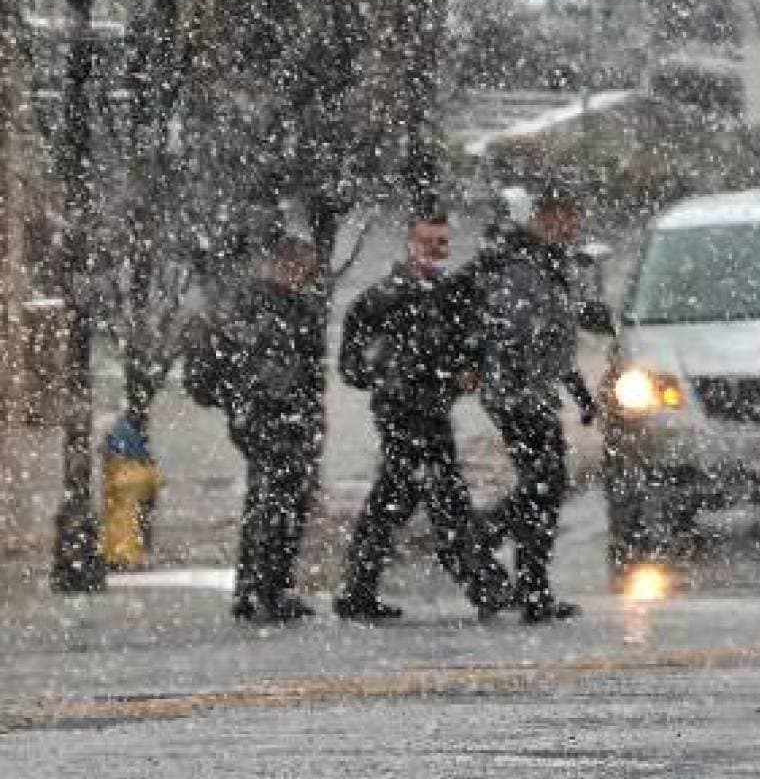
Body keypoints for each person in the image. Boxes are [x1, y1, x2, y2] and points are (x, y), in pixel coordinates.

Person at [334, 206, 515, 623]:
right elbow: (354, 366)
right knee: (441, 497)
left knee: (395, 499)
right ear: (408, 245)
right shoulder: (381, 301)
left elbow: (466, 345)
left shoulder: (448, 296)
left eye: (442, 243)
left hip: (433, 411)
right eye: (427, 243)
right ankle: (485, 584)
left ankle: (358, 589)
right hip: (403, 413)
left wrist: (466, 370)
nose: (436, 251)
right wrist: (398, 373)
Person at [465, 184, 598, 623]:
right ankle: (487, 536)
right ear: (538, 220)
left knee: (545, 486)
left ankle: (532, 586)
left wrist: (576, 390)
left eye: (573, 216)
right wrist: (520, 384)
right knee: (544, 483)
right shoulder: (520, 265)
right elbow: (514, 330)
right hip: (517, 395)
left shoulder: (547, 262)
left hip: (530, 391)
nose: (570, 225)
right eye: (560, 216)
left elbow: (554, 338)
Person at [184, 233, 328, 623]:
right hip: (269, 416)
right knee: (279, 501)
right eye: (300, 267)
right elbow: (245, 363)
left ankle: (256, 585)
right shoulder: (264, 308)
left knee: (271, 499)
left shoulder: (287, 308)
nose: (303, 275)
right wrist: (244, 398)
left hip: (274, 415)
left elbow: (309, 371)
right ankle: (267, 586)